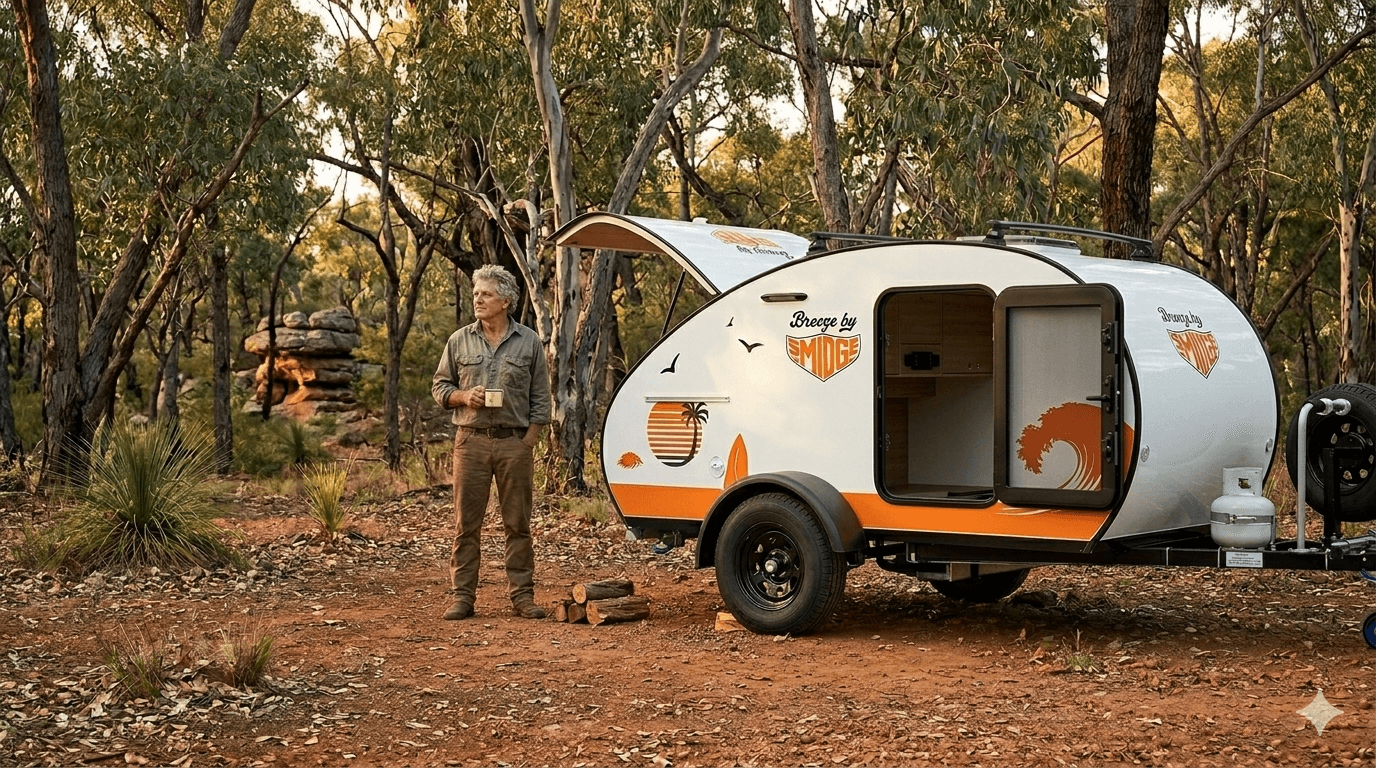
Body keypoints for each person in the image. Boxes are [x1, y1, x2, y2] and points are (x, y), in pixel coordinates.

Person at [432, 265, 550, 620]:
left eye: (486, 294)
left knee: (518, 524)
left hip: (515, 444)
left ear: (506, 301)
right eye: (475, 294)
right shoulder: (459, 340)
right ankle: (462, 598)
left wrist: (528, 441)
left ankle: (523, 597)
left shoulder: (529, 341)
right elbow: (440, 388)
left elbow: (541, 399)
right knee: (466, 525)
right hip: (471, 443)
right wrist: (465, 397)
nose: (478, 300)